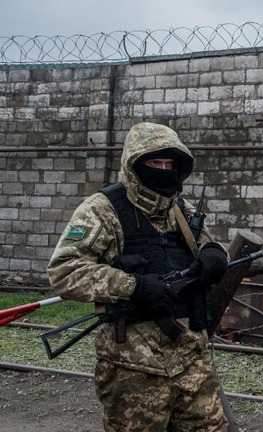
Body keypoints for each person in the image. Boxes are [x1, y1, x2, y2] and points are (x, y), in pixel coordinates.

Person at [47, 122, 230, 431]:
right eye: (154, 163)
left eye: (169, 163)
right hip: (133, 368)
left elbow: (207, 245)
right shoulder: (102, 210)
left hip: (192, 359)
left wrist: (214, 254)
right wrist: (134, 286)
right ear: (134, 165)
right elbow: (65, 271)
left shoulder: (181, 210)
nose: (163, 170)